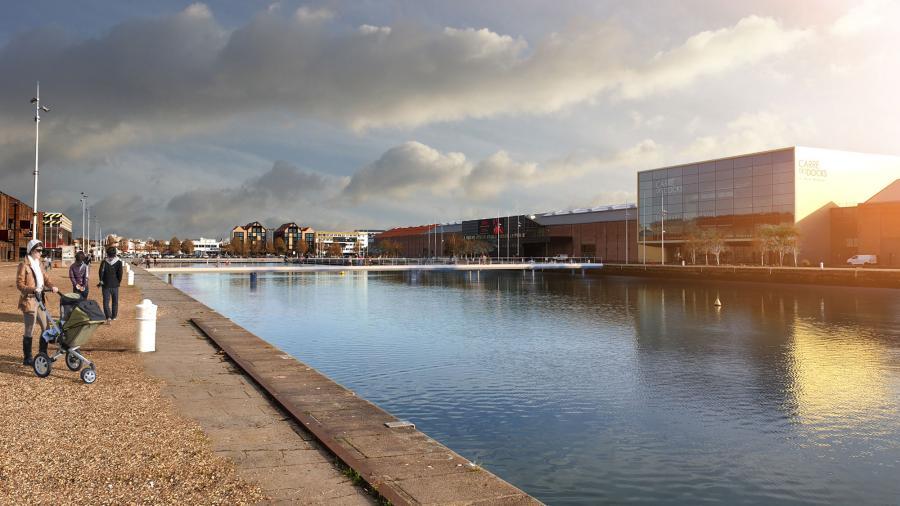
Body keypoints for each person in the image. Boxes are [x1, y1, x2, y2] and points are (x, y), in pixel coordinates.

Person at [17, 240, 59, 365]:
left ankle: (42, 353)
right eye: (39, 250)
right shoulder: (23, 265)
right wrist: (32, 289)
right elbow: (19, 284)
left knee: (46, 327)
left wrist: (52, 286)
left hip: (40, 298)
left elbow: (45, 278)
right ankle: (28, 357)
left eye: (42, 250)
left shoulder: (39, 264)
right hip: (29, 299)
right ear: (31, 250)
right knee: (29, 329)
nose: (41, 252)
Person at [98, 246, 123, 322]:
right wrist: (118, 281)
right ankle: (114, 316)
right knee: (115, 301)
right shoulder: (119, 262)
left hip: (106, 284)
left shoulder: (104, 262)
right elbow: (120, 274)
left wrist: (101, 280)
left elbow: (100, 273)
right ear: (115, 253)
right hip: (115, 284)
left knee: (106, 301)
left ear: (107, 254)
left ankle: (108, 316)